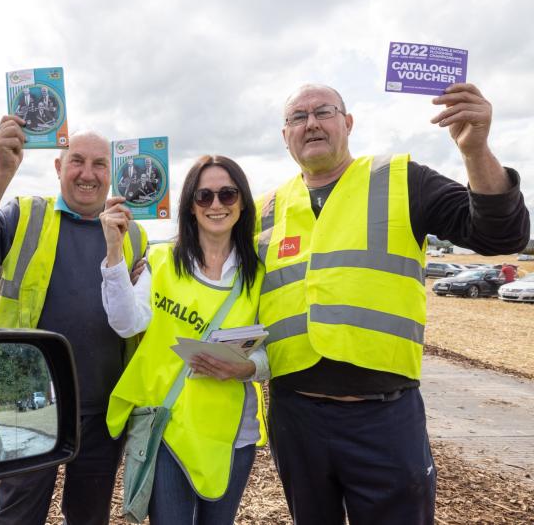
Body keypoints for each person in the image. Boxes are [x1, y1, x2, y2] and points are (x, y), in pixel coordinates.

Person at [255, 83, 530, 525]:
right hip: (295, 415)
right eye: (297, 117)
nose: (310, 124)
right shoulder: (264, 209)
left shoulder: (402, 179)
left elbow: (500, 236)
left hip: (382, 416)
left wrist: (476, 152)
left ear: (347, 123)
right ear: (284, 135)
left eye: (323, 112)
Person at [0, 115, 147, 525]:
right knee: (18, 514)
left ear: (113, 173)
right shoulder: (27, 215)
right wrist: (4, 170)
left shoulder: (135, 235)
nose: (87, 174)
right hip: (29, 405)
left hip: (103, 409)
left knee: (89, 517)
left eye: (100, 164)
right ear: (58, 167)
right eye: (77, 161)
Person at [102, 155, 269, 525]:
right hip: (167, 429)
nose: (215, 205)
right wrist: (114, 253)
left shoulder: (260, 274)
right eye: (203, 196)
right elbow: (126, 324)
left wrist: (245, 368)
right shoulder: (160, 261)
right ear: (189, 206)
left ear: (242, 203)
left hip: (231, 435)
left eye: (227, 195)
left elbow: (274, 352)